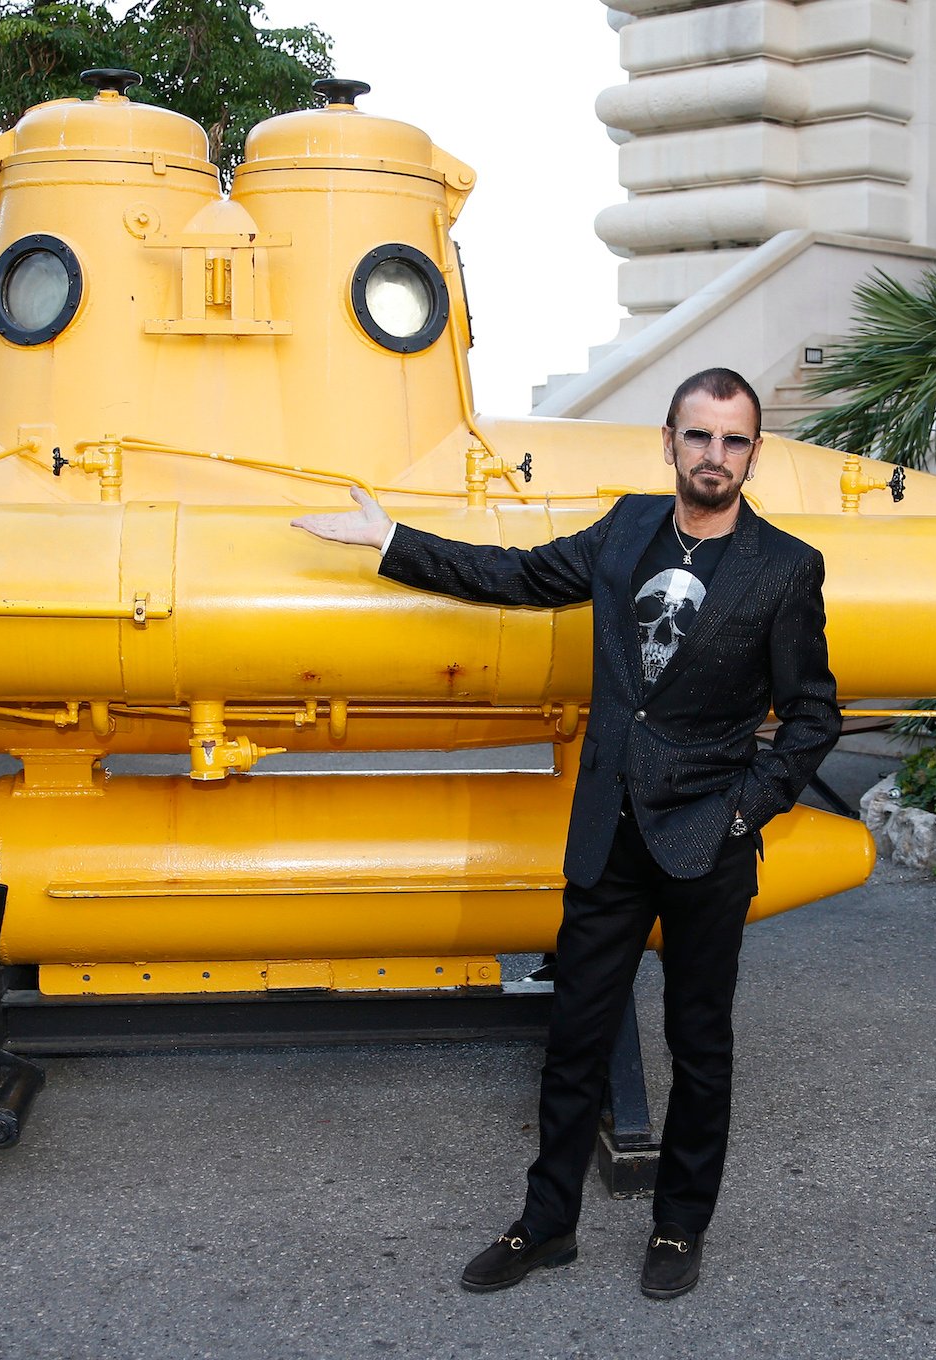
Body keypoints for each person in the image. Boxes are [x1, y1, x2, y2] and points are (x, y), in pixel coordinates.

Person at [292, 368, 840, 1301]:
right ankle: (545, 1227)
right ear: (668, 442)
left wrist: (743, 812)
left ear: (755, 454)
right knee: (575, 1039)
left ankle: (677, 1228)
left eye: (734, 441)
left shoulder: (784, 566)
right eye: (698, 436)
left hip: (708, 843)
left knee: (700, 1046)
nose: (714, 456)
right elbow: (515, 575)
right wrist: (392, 541)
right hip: (610, 838)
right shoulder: (625, 528)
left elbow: (813, 716)